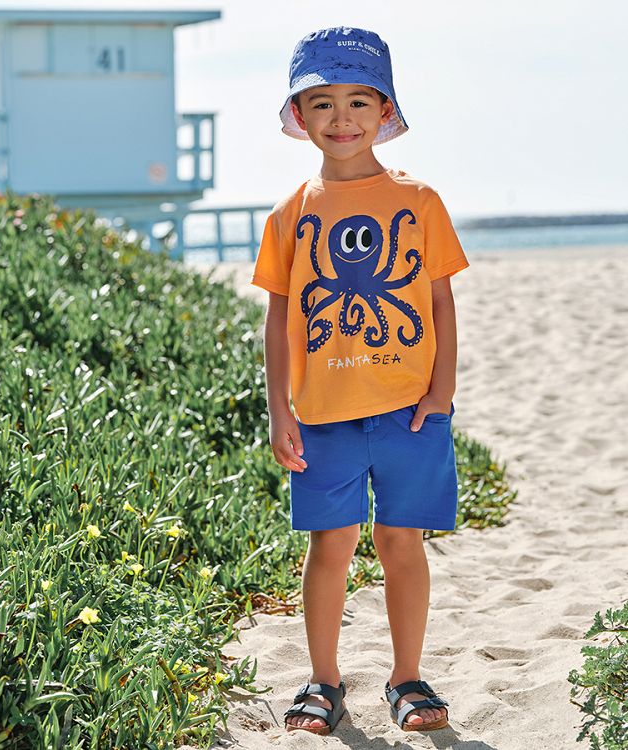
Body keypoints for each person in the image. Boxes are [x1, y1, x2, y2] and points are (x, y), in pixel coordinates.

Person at [249, 26, 470, 736]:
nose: (340, 119)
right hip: (323, 414)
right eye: (320, 103)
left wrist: (440, 391)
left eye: (356, 102)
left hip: (410, 412)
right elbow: (282, 318)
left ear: (383, 111)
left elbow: (438, 300)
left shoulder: (421, 200)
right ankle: (324, 678)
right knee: (330, 544)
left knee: (401, 541)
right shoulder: (290, 215)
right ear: (300, 116)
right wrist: (279, 408)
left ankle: (407, 676)